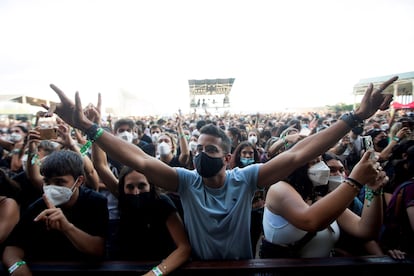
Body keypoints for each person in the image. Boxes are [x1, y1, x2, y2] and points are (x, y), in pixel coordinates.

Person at [45, 75, 398, 260]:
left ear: (227, 158)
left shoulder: (245, 180)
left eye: (210, 149)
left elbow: (295, 155)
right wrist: (89, 129)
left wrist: (354, 118)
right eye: (198, 148)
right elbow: (138, 159)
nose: (202, 154)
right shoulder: (185, 181)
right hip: (198, 271)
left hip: (244, 269)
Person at [260, 152, 386, 258]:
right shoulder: (278, 189)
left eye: (321, 161)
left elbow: (365, 230)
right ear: (297, 166)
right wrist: (355, 181)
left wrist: (373, 190)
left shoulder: (320, 197)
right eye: (314, 162)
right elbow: (311, 221)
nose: (322, 167)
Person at [2, 150, 109, 275]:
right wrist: (17, 267)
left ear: (79, 181)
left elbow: (98, 250)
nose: (51, 188)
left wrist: (67, 228)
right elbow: (12, 248)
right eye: (47, 182)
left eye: (59, 182)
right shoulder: (38, 207)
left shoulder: (95, 202)